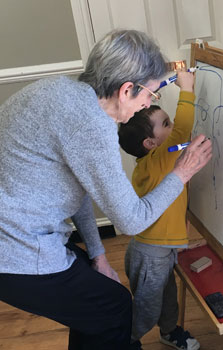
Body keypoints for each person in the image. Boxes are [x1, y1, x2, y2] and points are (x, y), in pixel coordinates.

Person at [0, 29, 211, 350]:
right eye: (150, 95)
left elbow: (78, 190)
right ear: (127, 89)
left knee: (97, 308)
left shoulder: (55, 89)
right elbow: (131, 221)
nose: (146, 104)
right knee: (114, 306)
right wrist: (182, 172)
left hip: (18, 235)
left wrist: (98, 256)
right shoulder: (90, 124)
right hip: (15, 253)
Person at [118, 71, 199, 350]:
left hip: (157, 251)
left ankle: (169, 331)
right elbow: (183, 130)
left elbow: (177, 135)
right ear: (150, 144)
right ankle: (126, 340)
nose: (173, 125)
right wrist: (186, 89)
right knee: (146, 308)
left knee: (166, 297)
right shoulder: (159, 160)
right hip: (151, 255)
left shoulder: (151, 163)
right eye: (166, 124)